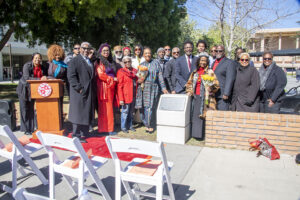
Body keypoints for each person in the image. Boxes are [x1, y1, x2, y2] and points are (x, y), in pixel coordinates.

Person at [186, 52, 219, 139]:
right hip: (196, 97)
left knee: (203, 115)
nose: (203, 62)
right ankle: (195, 134)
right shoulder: (195, 72)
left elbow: (216, 85)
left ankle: (202, 135)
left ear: (207, 62)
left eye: (205, 61)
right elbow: (189, 83)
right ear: (199, 61)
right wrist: (189, 91)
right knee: (195, 115)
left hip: (206, 98)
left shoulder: (210, 72)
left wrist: (211, 88)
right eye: (201, 60)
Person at [135, 47, 168, 133]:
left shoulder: (156, 63)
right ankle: (146, 123)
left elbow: (160, 76)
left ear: (151, 54)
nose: (147, 55)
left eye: (149, 53)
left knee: (150, 107)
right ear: (143, 54)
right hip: (143, 88)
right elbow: (138, 77)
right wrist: (139, 80)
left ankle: (150, 125)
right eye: (146, 53)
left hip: (153, 88)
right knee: (142, 108)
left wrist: (163, 88)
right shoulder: (141, 65)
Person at [67, 42, 94, 143]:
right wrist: (79, 88)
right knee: (78, 113)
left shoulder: (88, 61)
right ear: (80, 49)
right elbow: (71, 76)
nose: (86, 50)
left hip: (88, 91)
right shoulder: (74, 61)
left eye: (88, 49)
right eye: (84, 48)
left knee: (85, 113)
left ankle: (84, 132)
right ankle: (76, 135)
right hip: (79, 91)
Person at [17, 53, 48, 135]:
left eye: (39, 58)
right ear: (32, 58)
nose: (37, 60)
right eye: (36, 58)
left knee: (31, 109)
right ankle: (26, 129)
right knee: (24, 109)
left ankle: (31, 128)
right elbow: (27, 78)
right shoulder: (27, 66)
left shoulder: (43, 67)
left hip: (34, 91)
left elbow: (45, 76)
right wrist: (40, 79)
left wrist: (45, 78)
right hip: (24, 89)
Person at [95, 43, 118, 135]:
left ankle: (108, 128)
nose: (106, 52)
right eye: (104, 50)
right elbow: (101, 75)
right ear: (100, 52)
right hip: (104, 87)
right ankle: (105, 129)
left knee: (109, 109)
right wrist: (112, 79)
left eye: (107, 50)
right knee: (104, 109)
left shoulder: (110, 61)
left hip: (110, 87)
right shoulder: (99, 61)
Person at [46, 44, 69, 121]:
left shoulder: (64, 66)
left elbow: (66, 77)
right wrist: (49, 78)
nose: (57, 56)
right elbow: (44, 75)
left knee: (59, 104)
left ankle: (60, 121)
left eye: (59, 54)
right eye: (56, 54)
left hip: (60, 88)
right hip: (49, 88)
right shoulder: (48, 64)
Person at [117, 56, 138, 133]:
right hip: (125, 96)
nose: (127, 63)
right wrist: (121, 99)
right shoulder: (121, 71)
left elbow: (139, 80)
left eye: (129, 61)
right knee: (125, 112)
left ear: (131, 62)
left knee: (131, 112)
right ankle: (123, 127)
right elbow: (119, 86)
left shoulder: (135, 71)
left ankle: (130, 125)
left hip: (134, 95)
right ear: (124, 63)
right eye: (125, 62)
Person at [212, 45, 236, 111]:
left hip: (222, 95)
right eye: (216, 51)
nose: (218, 52)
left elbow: (230, 78)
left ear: (224, 52)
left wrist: (226, 93)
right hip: (214, 94)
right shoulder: (214, 63)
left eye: (220, 51)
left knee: (222, 115)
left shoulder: (229, 63)